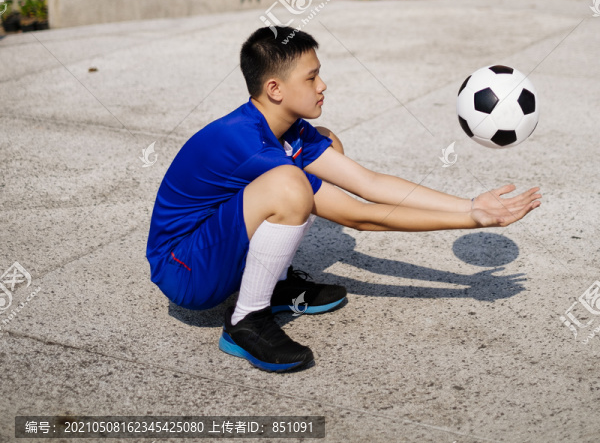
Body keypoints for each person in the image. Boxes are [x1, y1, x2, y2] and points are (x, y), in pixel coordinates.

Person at [146, 27, 542, 373]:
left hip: (213, 251)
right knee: (291, 184)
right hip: (184, 271)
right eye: (312, 77)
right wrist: (469, 224)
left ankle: (274, 284)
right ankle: (246, 319)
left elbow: (368, 184)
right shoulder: (246, 142)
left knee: (327, 146)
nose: (322, 85)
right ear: (275, 89)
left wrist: (469, 204)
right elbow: (362, 217)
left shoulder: (289, 129)